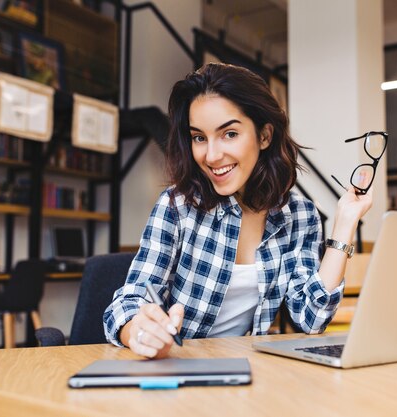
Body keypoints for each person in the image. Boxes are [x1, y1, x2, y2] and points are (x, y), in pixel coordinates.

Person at [103, 63, 374, 358]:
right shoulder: (176, 205)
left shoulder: (299, 215)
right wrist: (139, 331)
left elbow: (313, 318)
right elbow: (127, 303)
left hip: (241, 371)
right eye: (199, 137)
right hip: (173, 366)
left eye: (229, 134)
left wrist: (345, 222)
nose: (212, 155)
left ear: (264, 136)